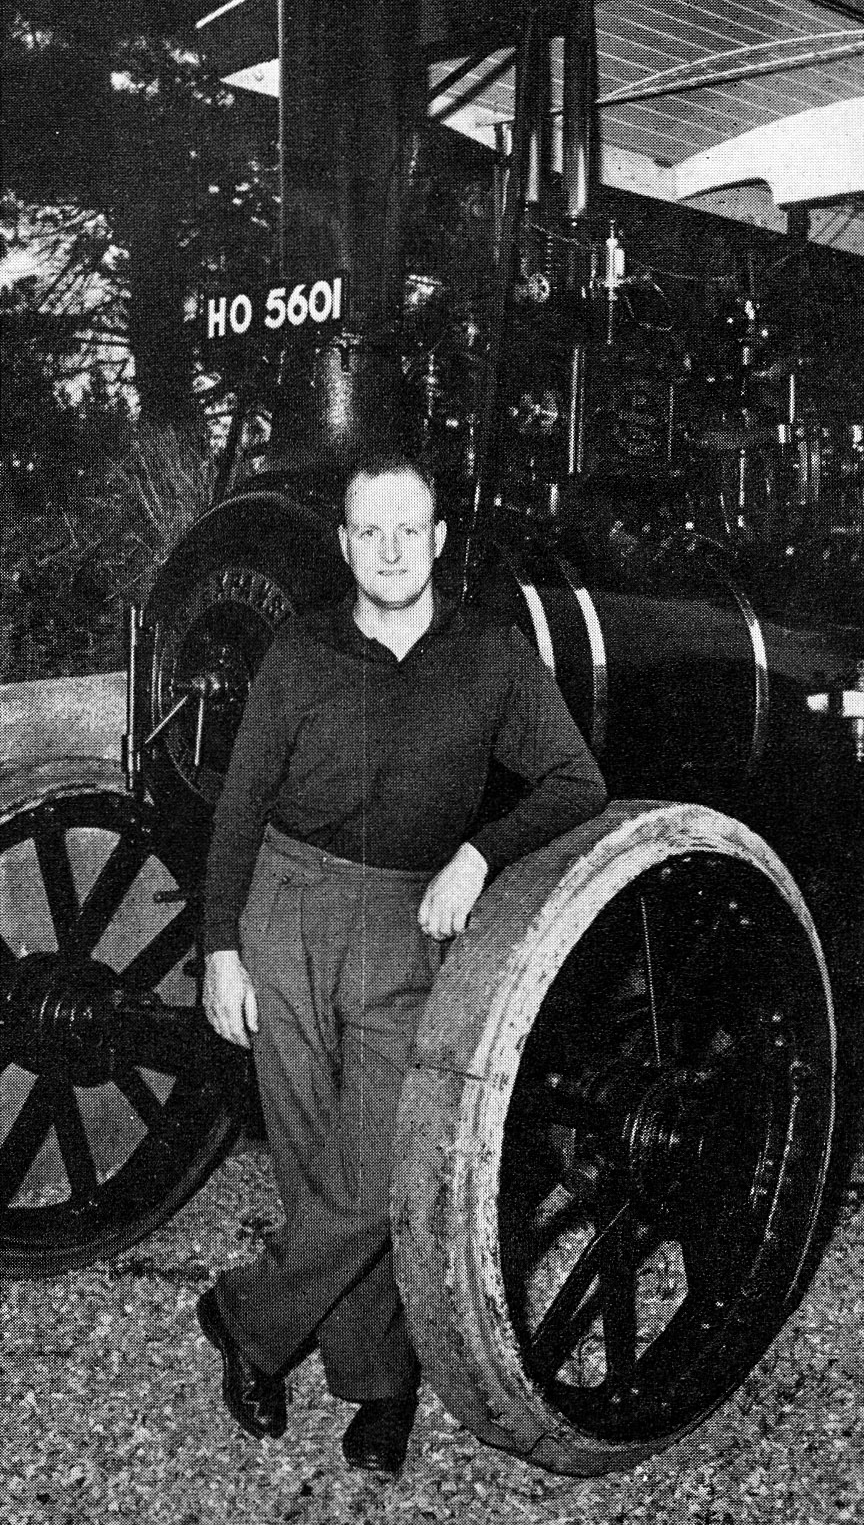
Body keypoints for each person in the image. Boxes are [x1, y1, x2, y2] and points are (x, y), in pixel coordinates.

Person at [196, 449, 607, 1477]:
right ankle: (378, 1390)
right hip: (285, 909)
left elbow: (574, 782)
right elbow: (240, 804)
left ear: (435, 541)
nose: (387, 548)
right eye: (366, 530)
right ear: (342, 545)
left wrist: (478, 853)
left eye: (406, 528)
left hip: (404, 917)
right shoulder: (299, 651)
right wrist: (218, 947)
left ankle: (247, 1318)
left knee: (375, 1172)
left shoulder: (492, 655)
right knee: (307, 1158)